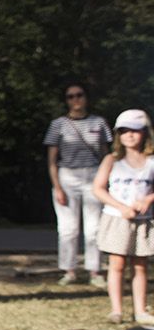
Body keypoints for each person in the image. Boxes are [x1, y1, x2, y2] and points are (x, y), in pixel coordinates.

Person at [91, 109, 154, 325]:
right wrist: (120, 207)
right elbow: (98, 189)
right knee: (116, 264)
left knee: (140, 265)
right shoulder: (112, 160)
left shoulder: (151, 161)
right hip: (117, 219)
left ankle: (140, 310)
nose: (130, 135)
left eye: (135, 130)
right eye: (124, 131)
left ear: (145, 133)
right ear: (119, 134)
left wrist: (148, 200)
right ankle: (116, 310)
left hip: (142, 222)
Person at [45, 84, 112, 287]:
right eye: (70, 96)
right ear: (66, 100)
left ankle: (95, 271)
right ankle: (69, 270)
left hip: (93, 175)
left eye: (79, 95)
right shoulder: (58, 125)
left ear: (86, 98)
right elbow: (52, 159)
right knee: (67, 229)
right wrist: (57, 186)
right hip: (67, 176)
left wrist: (107, 181)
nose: (75, 100)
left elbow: (106, 154)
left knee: (93, 229)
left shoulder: (99, 123)